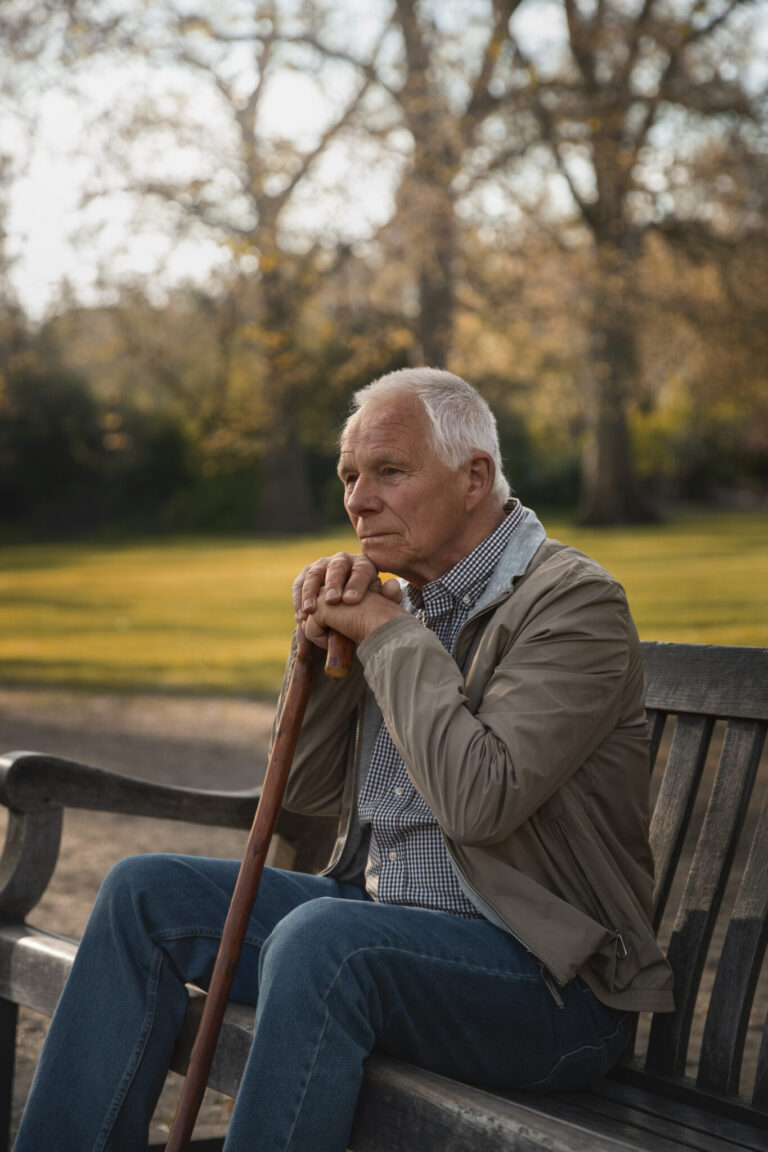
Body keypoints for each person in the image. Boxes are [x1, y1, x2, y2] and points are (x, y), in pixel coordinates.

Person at [14, 368, 674, 1152]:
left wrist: (388, 638)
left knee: (324, 940)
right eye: (350, 477)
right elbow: (304, 792)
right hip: (377, 927)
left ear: (475, 478)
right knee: (142, 894)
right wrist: (320, 647)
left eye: (389, 471)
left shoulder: (573, 602)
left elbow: (480, 799)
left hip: (546, 987)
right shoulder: (406, 596)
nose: (359, 500)